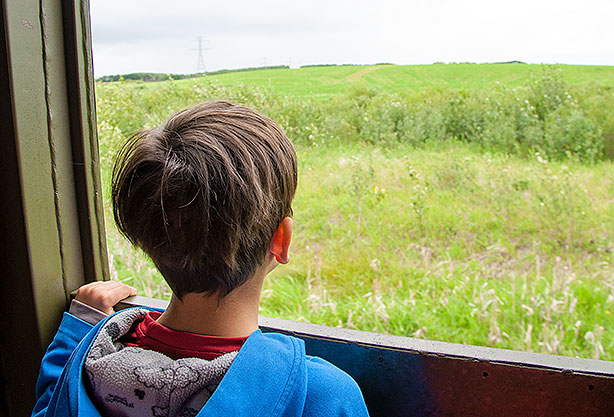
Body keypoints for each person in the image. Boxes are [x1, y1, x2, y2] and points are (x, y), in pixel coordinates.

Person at [32, 101, 369, 416]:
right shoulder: (323, 396)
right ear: (281, 241)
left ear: (148, 237)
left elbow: (53, 406)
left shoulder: (91, 362)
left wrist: (78, 328)